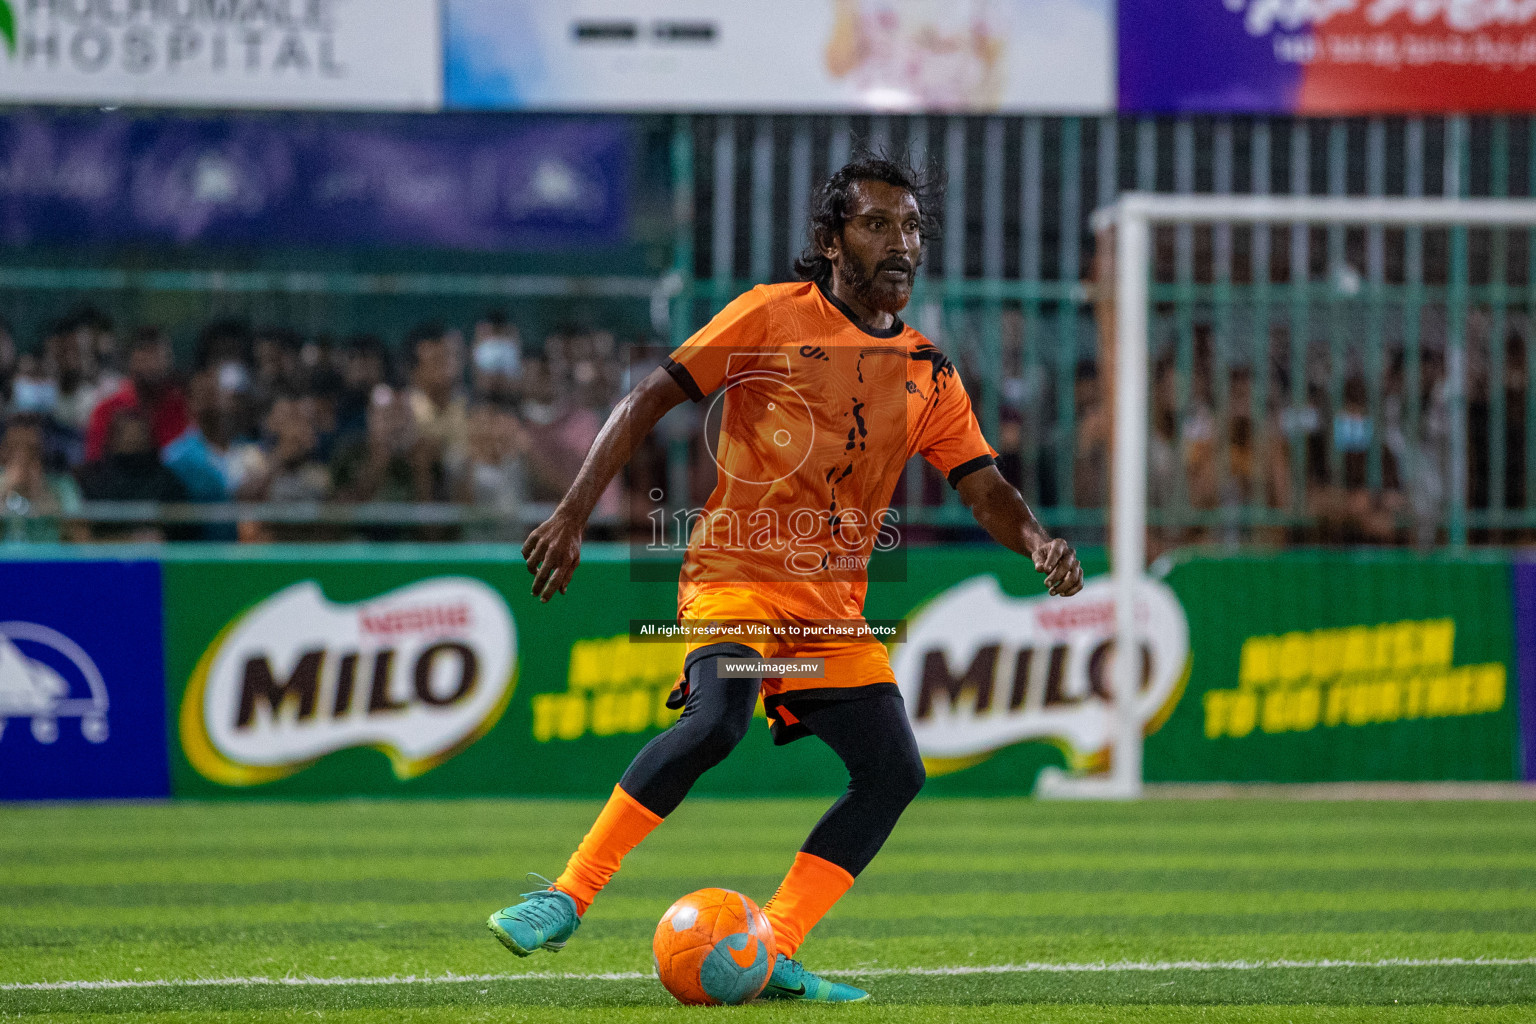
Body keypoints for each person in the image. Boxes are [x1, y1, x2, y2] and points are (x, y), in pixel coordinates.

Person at [485, 156, 1084, 1002]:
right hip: (736, 576)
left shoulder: (929, 372)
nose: (901, 243)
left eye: (911, 227)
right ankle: (566, 894)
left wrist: (1035, 540)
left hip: (830, 610)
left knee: (893, 773)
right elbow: (649, 399)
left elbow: (983, 485)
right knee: (718, 721)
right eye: (877, 224)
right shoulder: (769, 316)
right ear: (831, 239)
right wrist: (575, 511)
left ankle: (773, 948)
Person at [83, 327, 188, 464]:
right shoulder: (107, 410)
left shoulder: (184, 407)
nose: (152, 363)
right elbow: (94, 462)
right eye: (145, 352)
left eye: (157, 354)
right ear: (130, 359)